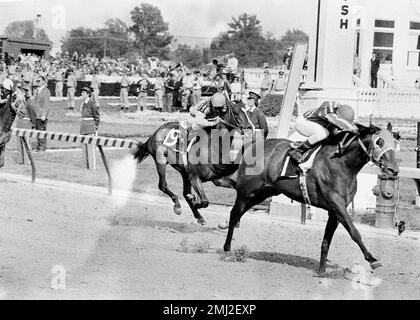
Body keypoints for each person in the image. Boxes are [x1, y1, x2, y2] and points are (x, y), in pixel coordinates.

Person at [289, 101, 359, 163]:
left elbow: (350, 123)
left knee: (333, 134)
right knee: (323, 133)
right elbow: (337, 121)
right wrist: (351, 129)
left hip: (315, 123)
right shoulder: (328, 110)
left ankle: (306, 144)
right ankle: (298, 151)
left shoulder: (340, 109)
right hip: (303, 123)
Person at [80, 87, 100, 170]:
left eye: (84, 92)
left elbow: (97, 117)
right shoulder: (83, 104)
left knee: (91, 149)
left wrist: (95, 127)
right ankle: (86, 166)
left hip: (90, 127)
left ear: (88, 94)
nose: (82, 94)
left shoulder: (92, 104)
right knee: (84, 149)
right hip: (84, 127)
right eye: (82, 92)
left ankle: (92, 167)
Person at [32, 76, 51, 152]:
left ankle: (42, 148)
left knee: (42, 131)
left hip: (41, 115)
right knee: (37, 132)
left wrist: (44, 114)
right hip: (36, 114)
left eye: (39, 81)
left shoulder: (46, 91)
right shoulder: (37, 90)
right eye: (37, 81)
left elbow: (46, 104)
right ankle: (39, 147)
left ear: (43, 81)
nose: (37, 83)